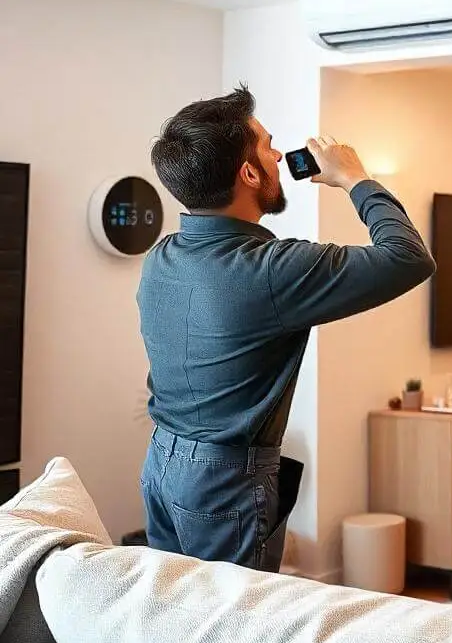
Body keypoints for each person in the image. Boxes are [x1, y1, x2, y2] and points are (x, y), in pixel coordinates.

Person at [136, 85, 435, 571]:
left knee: (177, 619)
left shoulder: (162, 257)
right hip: (223, 478)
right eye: (269, 146)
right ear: (249, 173)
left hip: (162, 464)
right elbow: (408, 258)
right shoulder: (271, 270)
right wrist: (354, 177)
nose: (280, 156)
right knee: (237, 632)